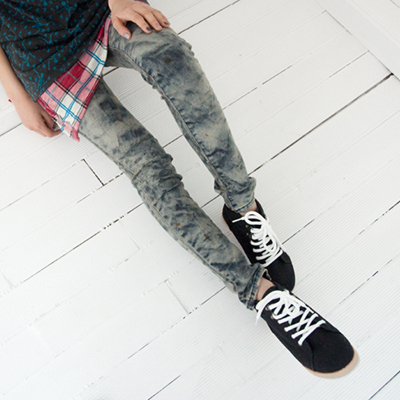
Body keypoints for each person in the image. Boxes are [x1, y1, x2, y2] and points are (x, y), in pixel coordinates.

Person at [0, 0, 358, 378]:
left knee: (174, 61)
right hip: (39, 56)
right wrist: (18, 96)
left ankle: (243, 207)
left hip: (96, 9)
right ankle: (261, 294)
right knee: (145, 165)